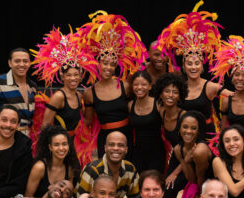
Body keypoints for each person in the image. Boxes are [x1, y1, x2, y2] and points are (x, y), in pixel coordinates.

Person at [156, 5, 230, 140]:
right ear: (184, 66)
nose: (193, 67)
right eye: (189, 64)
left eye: (197, 63)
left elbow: (235, 96)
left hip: (206, 138)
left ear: (202, 65)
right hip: (184, 137)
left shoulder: (210, 87)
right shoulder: (178, 87)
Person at [79, 13, 147, 158]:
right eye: (105, 63)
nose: (108, 67)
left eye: (112, 64)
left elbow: (139, 108)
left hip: (127, 138)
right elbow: (87, 123)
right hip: (106, 140)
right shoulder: (90, 93)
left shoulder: (126, 86)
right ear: (97, 63)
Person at [32, 27, 99, 166]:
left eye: (76, 75)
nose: (73, 78)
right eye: (69, 75)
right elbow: (45, 125)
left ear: (81, 76)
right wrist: (46, 151)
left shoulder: (79, 95)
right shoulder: (58, 97)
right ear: (62, 77)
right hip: (59, 148)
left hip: (73, 145)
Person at [153, 73, 187, 198]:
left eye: (175, 92)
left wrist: (175, 173)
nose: (170, 95)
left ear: (180, 96)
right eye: (167, 91)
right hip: (177, 157)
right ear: (160, 94)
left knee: (169, 190)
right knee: (166, 190)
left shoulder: (184, 116)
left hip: (190, 159)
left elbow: (192, 150)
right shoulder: (162, 111)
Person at [76, 131, 139, 198]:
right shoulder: (92, 170)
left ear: (126, 149)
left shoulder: (130, 169)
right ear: (105, 148)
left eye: (120, 145)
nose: (116, 148)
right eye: (111, 144)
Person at [173, 111, 214, 198]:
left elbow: (201, 178)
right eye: (185, 127)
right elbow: (191, 179)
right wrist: (186, 161)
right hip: (195, 184)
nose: (188, 131)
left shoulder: (200, 151)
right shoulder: (178, 149)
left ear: (198, 131)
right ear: (179, 128)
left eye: (193, 128)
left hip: (209, 186)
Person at [0, 48, 39, 137]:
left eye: (25, 61)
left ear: (29, 63)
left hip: (28, 139)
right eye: (17, 61)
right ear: (10, 63)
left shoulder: (32, 86)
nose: (21, 64)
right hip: (6, 137)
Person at [25, 125, 80, 197]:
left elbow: (67, 197)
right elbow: (28, 196)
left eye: (64, 144)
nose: (61, 148)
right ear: (50, 147)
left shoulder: (69, 169)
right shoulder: (40, 167)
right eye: (56, 145)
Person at [128, 70, 166, 174]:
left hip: (156, 152)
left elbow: (168, 125)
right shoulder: (130, 105)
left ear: (150, 86)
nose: (139, 87)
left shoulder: (158, 104)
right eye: (136, 84)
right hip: (137, 153)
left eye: (143, 84)